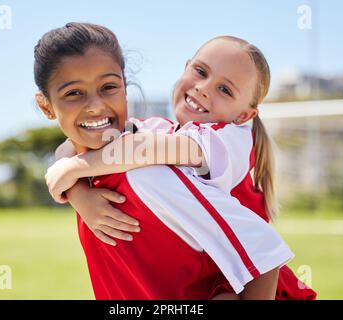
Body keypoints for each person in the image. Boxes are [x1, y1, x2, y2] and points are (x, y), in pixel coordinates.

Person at [36, 22, 295, 300]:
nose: (204, 88)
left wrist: (74, 169)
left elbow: (264, 249)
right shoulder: (158, 131)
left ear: (244, 115)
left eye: (225, 90)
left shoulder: (218, 143)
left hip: (242, 280)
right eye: (200, 71)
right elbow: (72, 148)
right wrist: (78, 191)